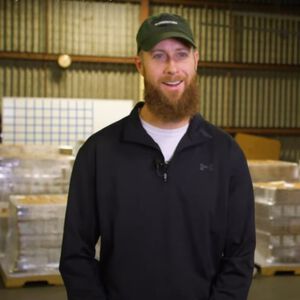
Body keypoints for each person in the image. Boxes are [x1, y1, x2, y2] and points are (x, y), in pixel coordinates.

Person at [59, 13, 255, 300]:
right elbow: (76, 254)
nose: (172, 68)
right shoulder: (100, 152)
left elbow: (240, 256)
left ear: (196, 60)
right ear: (140, 65)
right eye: (159, 56)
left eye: (181, 54)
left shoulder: (226, 155)